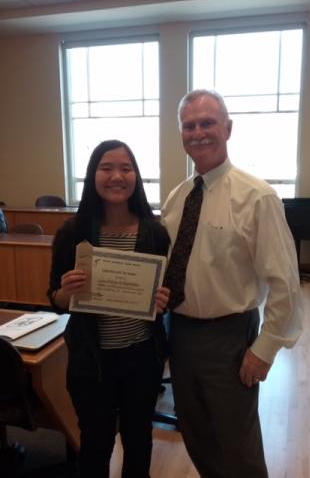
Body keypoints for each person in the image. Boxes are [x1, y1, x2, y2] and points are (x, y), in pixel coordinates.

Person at [162, 90, 303, 478]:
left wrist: (265, 349)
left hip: (229, 336)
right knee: (197, 434)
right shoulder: (178, 198)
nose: (199, 132)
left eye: (208, 122)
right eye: (189, 125)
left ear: (228, 128)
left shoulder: (257, 197)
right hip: (181, 331)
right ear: (181, 134)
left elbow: (286, 282)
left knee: (237, 445)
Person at [47, 139, 170, 478]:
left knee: (138, 441)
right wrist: (65, 293)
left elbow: (166, 295)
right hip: (91, 361)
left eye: (126, 168)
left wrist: (163, 302)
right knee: (95, 444)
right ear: (92, 175)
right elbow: (54, 299)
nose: (117, 176)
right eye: (106, 167)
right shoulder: (73, 232)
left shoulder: (155, 233)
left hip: (141, 359)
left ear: (136, 177)